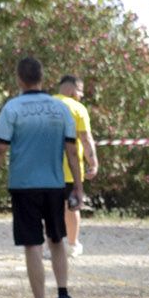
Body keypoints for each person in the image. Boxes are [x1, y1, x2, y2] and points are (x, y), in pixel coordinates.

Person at [0, 56, 82, 298]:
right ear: (43, 77)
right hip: (55, 184)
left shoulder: (13, 108)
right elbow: (72, 151)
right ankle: (63, 294)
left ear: (19, 79)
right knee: (57, 239)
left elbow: (0, 149)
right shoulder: (60, 110)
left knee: (33, 245)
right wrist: (79, 187)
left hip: (24, 186)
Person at [56, 75, 99, 256]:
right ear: (73, 90)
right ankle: (72, 245)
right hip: (69, 169)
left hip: (43, 168)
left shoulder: (43, 105)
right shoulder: (77, 108)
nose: (81, 95)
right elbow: (86, 138)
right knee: (72, 206)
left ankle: (50, 245)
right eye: (80, 91)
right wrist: (93, 162)